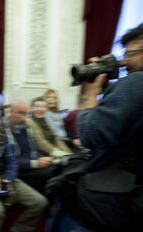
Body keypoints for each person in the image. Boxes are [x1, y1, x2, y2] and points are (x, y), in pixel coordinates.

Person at [75, 23, 143, 231]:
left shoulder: (135, 82)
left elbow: (91, 134)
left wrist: (89, 96)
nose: (124, 61)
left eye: (130, 53)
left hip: (113, 194)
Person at [0, 111, 48, 232]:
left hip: (3, 178)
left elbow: (12, 161)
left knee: (39, 202)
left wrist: (8, 179)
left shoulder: (2, 136)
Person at [4, 100, 59, 193]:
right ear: (11, 111)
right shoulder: (3, 130)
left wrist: (43, 158)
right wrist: (35, 163)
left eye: (26, 114)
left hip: (29, 163)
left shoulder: (23, 127)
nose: (23, 118)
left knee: (57, 168)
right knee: (49, 173)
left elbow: (31, 149)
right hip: (17, 170)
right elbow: (9, 161)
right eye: (20, 113)